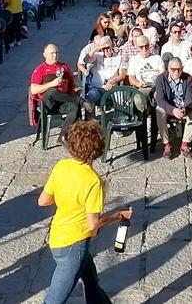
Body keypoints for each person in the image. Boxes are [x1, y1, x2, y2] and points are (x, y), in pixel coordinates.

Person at [38, 121, 132, 304]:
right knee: (54, 301)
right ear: (97, 150)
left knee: (91, 282)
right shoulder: (93, 181)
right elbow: (93, 224)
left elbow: (43, 200)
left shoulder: (61, 166)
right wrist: (116, 216)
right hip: (74, 245)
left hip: (57, 236)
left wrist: (68, 197)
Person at [29, 44, 82, 136]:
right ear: (44, 55)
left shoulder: (64, 67)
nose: (55, 55)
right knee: (52, 91)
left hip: (63, 102)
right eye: (52, 53)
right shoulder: (40, 70)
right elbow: (33, 90)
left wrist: (77, 89)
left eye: (57, 53)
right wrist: (52, 84)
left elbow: (72, 84)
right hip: (48, 103)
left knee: (75, 107)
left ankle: (62, 136)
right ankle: (80, 101)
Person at [153, 57, 192, 158]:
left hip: (182, 105)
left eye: (179, 69)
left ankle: (185, 144)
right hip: (168, 105)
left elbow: (189, 97)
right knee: (160, 112)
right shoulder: (161, 79)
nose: (176, 72)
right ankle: (166, 144)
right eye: (173, 69)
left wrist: (185, 108)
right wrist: (172, 110)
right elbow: (160, 99)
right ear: (168, 69)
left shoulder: (188, 78)